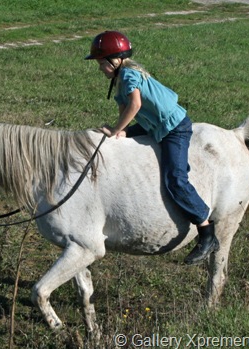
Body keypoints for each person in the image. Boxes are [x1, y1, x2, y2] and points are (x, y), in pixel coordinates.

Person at [85, 30, 219, 265]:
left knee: (175, 179)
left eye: (101, 63)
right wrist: (123, 132)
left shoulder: (127, 75)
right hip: (153, 125)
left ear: (115, 61)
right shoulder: (120, 80)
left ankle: (206, 232)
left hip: (173, 128)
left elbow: (135, 104)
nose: (99, 69)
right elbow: (125, 109)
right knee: (121, 138)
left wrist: (117, 130)